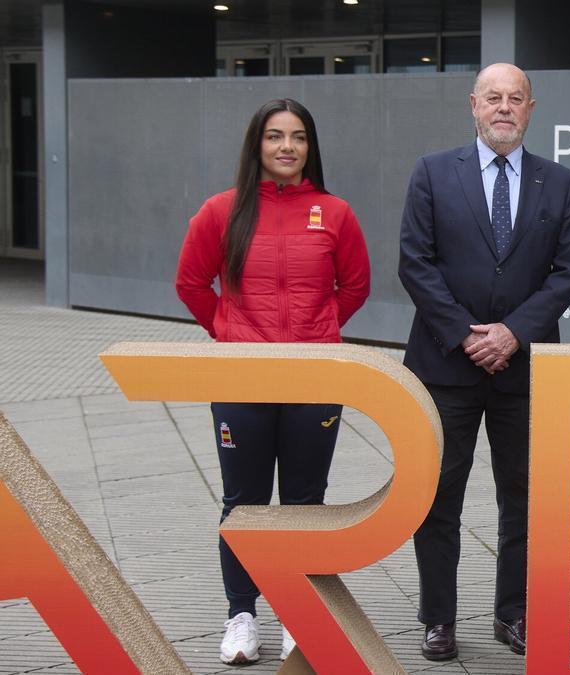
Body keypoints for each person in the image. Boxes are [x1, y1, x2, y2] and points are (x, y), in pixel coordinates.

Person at [397, 63, 570, 661]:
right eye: (493, 98)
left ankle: (515, 613)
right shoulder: (432, 172)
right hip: (445, 366)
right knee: (438, 495)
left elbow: (567, 272)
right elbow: (415, 262)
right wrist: (465, 334)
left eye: (516, 99)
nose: (504, 108)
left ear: (532, 108)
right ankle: (439, 619)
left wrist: (513, 333)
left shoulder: (560, 184)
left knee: (524, 497)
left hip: (526, 370)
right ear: (473, 105)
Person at [175, 98, 370, 665]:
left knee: (306, 501)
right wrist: (229, 331)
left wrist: (319, 330)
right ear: (256, 145)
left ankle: (298, 613)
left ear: (311, 147)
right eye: (275, 136)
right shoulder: (221, 211)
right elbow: (191, 282)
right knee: (245, 502)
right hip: (242, 377)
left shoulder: (334, 212)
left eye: (299, 137)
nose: (287, 147)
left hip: (313, 379)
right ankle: (241, 616)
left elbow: (355, 286)